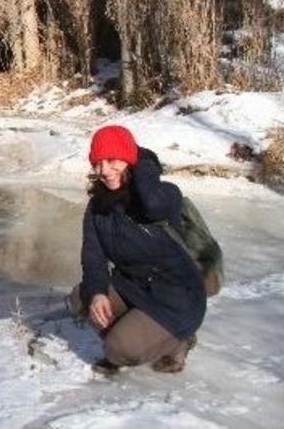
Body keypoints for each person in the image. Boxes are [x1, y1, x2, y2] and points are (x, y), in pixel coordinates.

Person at [68, 125, 206, 375]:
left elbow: (152, 204)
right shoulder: (98, 207)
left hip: (176, 296)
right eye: (98, 163)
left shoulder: (164, 195)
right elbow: (93, 256)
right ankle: (140, 331)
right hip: (133, 286)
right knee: (83, 297)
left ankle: (179, 341)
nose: (105, 171)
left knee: (118, 350)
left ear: (130, 160)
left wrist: (141, 159)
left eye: (112, 161)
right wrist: (98, 292)